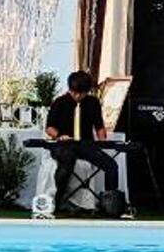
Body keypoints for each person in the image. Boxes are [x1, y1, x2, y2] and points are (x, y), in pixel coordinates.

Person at [43, 70, 126, 212]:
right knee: (67, 160)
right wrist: (60, 136)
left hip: (85, 144)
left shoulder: (93, 102)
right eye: (74, 92)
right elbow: (49, 128)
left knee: (111, 166)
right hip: (63, 145)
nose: (77, 96)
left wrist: (102, 142)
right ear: (69, 89)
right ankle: (58, 200)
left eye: (81, 93)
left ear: (87, 91)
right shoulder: (59, 102)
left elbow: (99, 127)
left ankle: (110, 205)